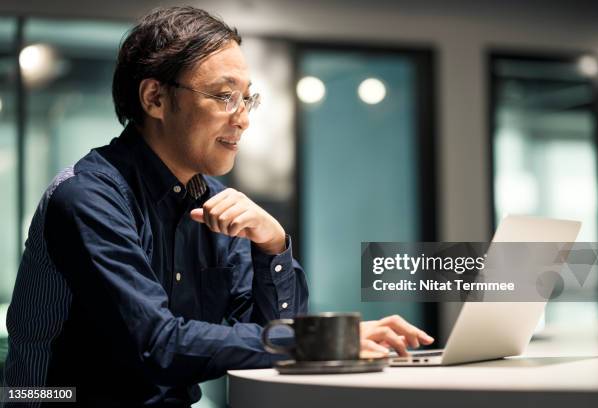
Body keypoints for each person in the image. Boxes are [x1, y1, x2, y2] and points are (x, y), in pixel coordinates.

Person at [4, 6, 433, 407]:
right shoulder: (87, 197)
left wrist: (274, 245)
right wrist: (324, 340)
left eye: (247, 98)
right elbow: (157, 343)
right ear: (154, 98)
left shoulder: (212, 200)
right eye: (225, 96)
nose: (243, 117)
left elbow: (270, 338)